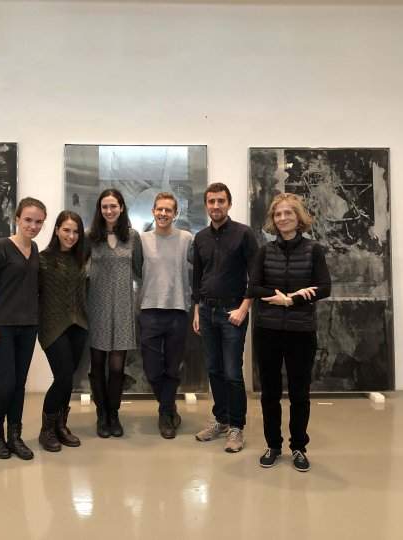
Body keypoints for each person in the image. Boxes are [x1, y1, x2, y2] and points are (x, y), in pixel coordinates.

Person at [246, 193, 331, 472]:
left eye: (288, 213)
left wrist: (293, 300)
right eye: (278, 214)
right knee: (269, 393)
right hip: (268, 330)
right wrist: (278, 296)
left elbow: (324, 287)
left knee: (299, 393)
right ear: (273, 219)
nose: (282, 218)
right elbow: (253, 287)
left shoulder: (313, 250)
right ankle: (273, 445)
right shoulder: (264, 251)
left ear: (299, 217)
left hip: (301, 331)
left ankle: (298, 447)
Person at [192, 183, 258, 453]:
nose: (216, 206)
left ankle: (236, 427)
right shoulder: (201, 238)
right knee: (214, 370)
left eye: (221, 201)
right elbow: (197, 277)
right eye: (211, 201)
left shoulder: (244, 234)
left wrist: (244, 308)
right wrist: (197, 310)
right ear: (206, 205)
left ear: (229, 204)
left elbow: (256, 275)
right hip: (206, 312)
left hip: (233, 312)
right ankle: (220, 419)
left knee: (232, 373)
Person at [0, 197, 47, 460]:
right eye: (28, 219)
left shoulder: (36, 251)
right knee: (5, 384)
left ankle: (15, 436)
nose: (33, 225)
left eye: (38, 221)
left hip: (28, 327)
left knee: (19, 384)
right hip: (1, 329)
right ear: (17, 218)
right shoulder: (0, 247)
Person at [86, 188, 143, 438]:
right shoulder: (90, 237)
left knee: (117, 367)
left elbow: (140, 271)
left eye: (113, 206)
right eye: (104, 206)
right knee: (97, 364)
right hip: (96, 305)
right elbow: (80, 270)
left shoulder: (132, 236)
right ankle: (101, 415)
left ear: (121, 208)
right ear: (100, 210)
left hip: (122, 306)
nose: (109, 211)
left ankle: (114, 413)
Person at [139, 192, 193, 439]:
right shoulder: (142, 240)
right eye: (159, 209)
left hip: (178, 310)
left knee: (172, 368)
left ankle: (164, 415)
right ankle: (169, 407)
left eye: (168, 210)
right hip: (149, 310)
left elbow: (198, 271)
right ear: (153, 211)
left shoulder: (186, 239)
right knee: (152, 370)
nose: (163, 214)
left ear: (175, 214)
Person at [37, 211, 88, 452]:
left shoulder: (81, 259)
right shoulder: (42, 259)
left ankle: (61, 425)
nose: (71, 235)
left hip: (78, 326)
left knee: (69, 380)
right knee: (63, 377)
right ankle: (46, 430)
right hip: (52, 327)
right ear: (57, 229)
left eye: (76, 231)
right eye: (66, 230)